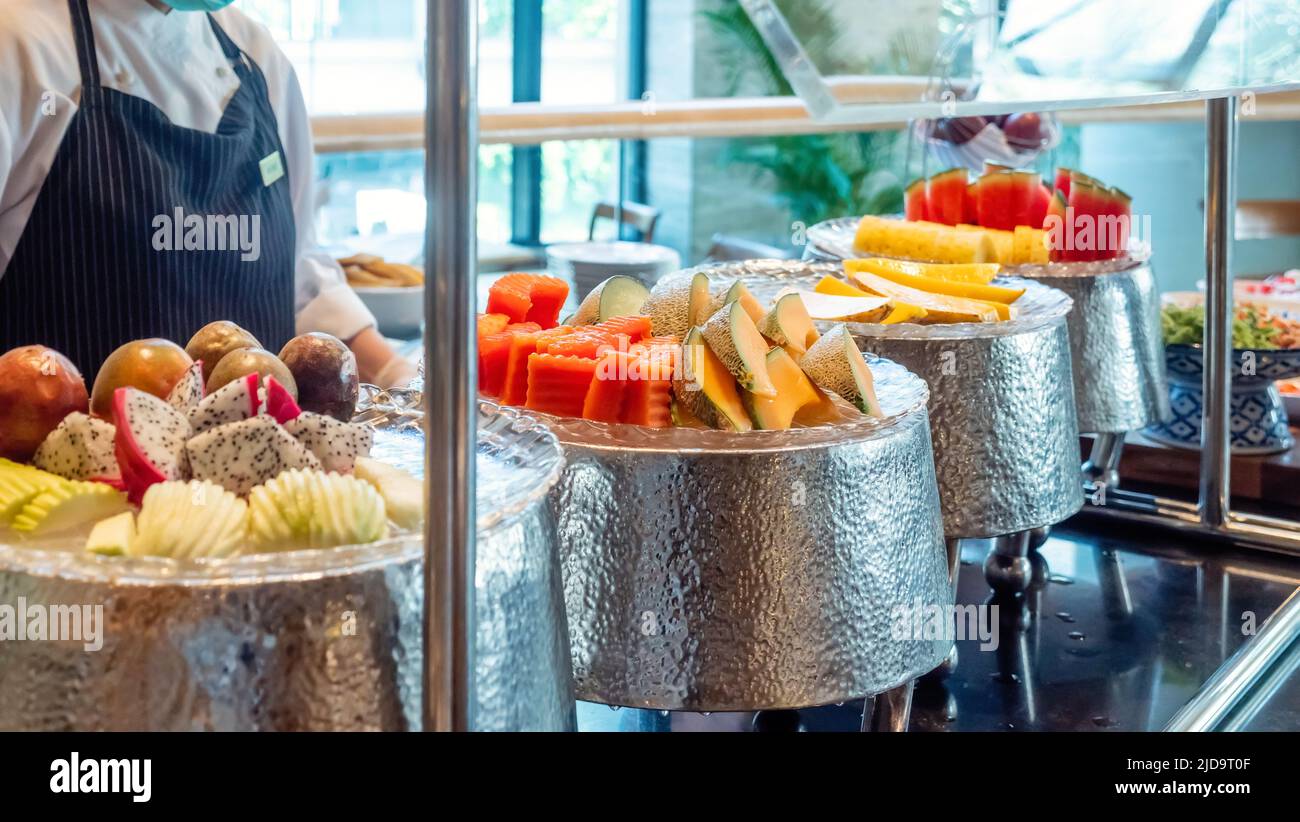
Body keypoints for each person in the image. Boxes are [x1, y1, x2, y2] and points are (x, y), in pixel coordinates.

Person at [0, 0, 417, 386]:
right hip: (53, 464)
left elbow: (298, 274)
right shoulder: (17, 40)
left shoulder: (256, 56)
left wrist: (396, 372)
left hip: (275, 462)